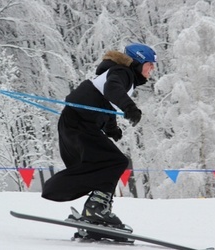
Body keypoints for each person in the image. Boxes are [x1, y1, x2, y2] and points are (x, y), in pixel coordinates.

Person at [41, 43, 157, 228]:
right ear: (138, 61)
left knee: (105, 164)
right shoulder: (123, 73)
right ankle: (96, 209)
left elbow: (105, 101)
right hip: (79, 122)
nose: (152, 68)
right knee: (115, 161)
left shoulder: (119, 73)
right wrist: (130, 107)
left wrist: (112, 129)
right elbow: (112, 90)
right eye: (150, 64)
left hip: (75, 122)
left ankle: (95, 211)